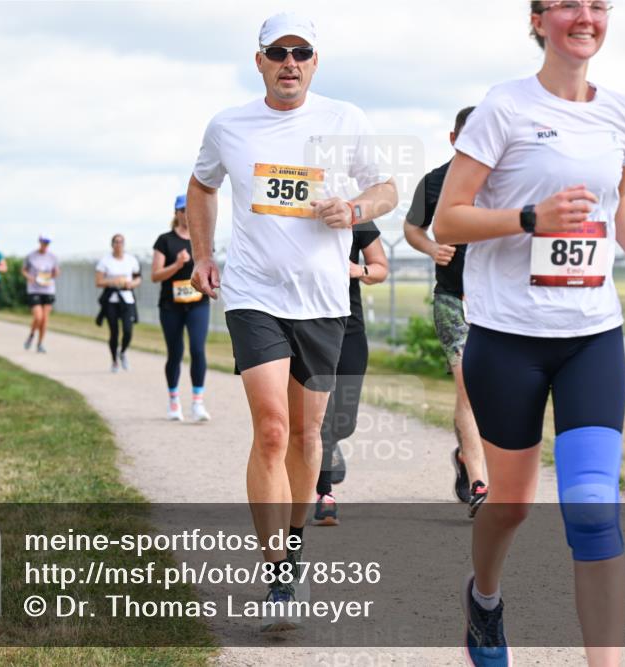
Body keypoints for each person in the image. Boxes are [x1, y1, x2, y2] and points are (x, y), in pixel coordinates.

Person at [434, 3, 625, 665]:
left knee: (595, 509)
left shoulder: (622, 114)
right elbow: (449, 220)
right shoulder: (502, 109)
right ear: (539, 19)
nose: (586, 15)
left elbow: (615, 200)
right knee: (511, 505)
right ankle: (484, 599)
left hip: (591, 334)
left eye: (598, 4)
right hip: (508, 337)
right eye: (569, 3)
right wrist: (528, 217)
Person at [188, 11, 397, 631]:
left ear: (314, 61)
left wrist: (354, 207)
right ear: (259, 61)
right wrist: (202, 254)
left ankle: (294, 546)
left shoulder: (344, 119)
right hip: (255, 295)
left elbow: (385, 189)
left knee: (309, 439)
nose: (289, 62)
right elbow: (202, 186)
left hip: (325, 300)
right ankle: (275, 571)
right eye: (277, 52)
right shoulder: (229, 125)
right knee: (274, 431)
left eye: (300, 52)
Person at [405, 106, 489, 518]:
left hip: (498, 302)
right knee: (467, 388)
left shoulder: (505, 179)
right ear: (453, 139)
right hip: (453, 298)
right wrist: (430, 248)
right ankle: (479, 481)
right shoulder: (435, 182)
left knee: (500, 395)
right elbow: (411, 228)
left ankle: (464, 457)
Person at [312, 222, 388, 526]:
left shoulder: (359, 219)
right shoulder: (299, 216)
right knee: (321, 418)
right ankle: (324, 494)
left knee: (344, 422)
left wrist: (359, 271)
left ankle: (331, 444)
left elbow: (380, 267)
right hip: (310, 327)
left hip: (350, 330)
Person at [152, 195, 211, 422]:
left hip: (198, 303)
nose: (187, 214)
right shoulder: (164, 241)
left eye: (190, 209)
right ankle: (174, 400)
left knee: (197, 349)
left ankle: (197, 403)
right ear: (176, 213)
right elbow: (155, 275)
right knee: (175, 353)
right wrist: (176, 264)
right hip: (171, 305)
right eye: (183, 210)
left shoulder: (203, 240)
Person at [95, 234, 141, 372]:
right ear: (112, 244)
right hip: (111, 300)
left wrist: (131, 283)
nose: (118, 244)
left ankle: (123, 352)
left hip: (127, 298)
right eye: (116, 242)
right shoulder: (105, 261)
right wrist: (112, 282)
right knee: (114, 332)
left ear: (124, 244)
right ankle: (114, 361)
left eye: (121, 242)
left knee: (128, 330)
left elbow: (138, 278)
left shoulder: (131, 260)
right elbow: (98, 282)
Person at [23, 235, 60, 354]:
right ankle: (31, 335)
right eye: (43, 242)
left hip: (48, 289)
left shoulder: (53, 257)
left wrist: (52, 275)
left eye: (47, 243)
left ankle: (40, 343)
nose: (45, 244)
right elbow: (24, 270)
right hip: (34, 289)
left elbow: (56, 272)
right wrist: (30, 277)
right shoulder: (31, 256)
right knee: (38, 317)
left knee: (44, 319)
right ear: (39, 242)